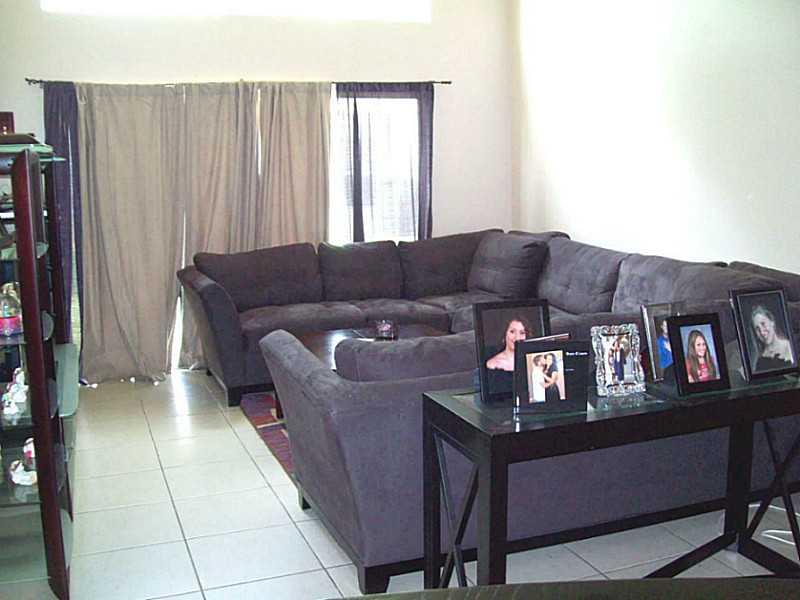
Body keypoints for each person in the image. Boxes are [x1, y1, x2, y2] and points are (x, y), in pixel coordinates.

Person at [484, 316, 531, 396]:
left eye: (522, 333)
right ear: (504, 334)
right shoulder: (492, 364)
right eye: (512, 332)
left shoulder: (533, 360)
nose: (517, 337)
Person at [750, 304, 795, 371]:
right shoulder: (760, 362)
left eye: (763, 324)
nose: (762, 332)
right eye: (757, 329)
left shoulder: (791, 346)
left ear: (772, 322)